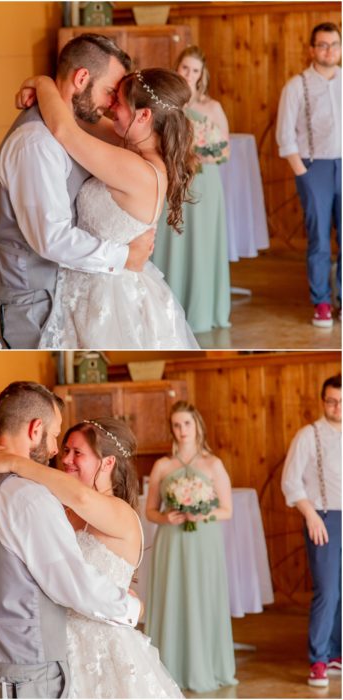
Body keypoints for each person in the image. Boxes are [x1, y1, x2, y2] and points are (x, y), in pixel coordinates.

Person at [0, 382, 142, 698]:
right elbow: (69, 581)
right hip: (23, 667)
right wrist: (129, 607)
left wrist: (18, 464)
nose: (56, 452)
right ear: (35, 429)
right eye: (55, 438)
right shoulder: (30, 497)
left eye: (75, 451)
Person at [0, 417, 184, 699]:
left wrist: (15, 462)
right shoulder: (58, 507)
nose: (66, 459)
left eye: (77, 453)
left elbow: (82, 498)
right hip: (53, 646)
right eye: (66, 449)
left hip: (105, 652)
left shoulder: (121, 514)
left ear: (107, 463)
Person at [0, 34, 155, 349]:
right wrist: (125, 256)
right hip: (29, 301)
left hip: (58, 292)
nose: (112, 106)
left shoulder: (76, 127)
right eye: (110, 92)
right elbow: (52, 237)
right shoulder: (36, 143)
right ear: (82, 78)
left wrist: (42, 83)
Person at [16, 67, 199, 349]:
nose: (112, 108)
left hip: (107, 296)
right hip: (93, 279)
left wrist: (41, 81)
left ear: (144, 115)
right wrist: (47, 93)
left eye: (120, 103)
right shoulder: (135, 148)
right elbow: (77, 118)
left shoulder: (137, 169)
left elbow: (65, 130)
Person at [144, 400, 237, 692]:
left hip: (203, 543)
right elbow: (150, 511)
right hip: (171, 541)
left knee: (202, 599)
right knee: (173, 598)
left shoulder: (213, 464)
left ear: (197, 425)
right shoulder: (162, 465)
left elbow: (227, 510)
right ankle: (169, 668)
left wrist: (202, 513)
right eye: (176, 425)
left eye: (186, 423)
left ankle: (205, 665)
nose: (182, 430)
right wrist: (165, 517)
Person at [152, 45, 231, 334]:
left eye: (194, 70)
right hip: (172, 178)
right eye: (185, 67)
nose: (189, 74)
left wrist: (199, 154)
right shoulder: (165, 104)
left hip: (204, 182)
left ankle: (200, 311)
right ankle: (164, 308)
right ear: (177, 67)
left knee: (201, 245)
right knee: (169, 241)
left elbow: (224, 152)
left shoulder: (212, 108)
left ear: (202, 75)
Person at [276, 22, 342, 328]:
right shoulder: (296, 86)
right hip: (313, 168)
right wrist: (302, 172)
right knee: (318, 240)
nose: (329, 51)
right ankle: (322, 303)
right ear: (312, 49)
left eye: (334, 44)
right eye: (323, 45)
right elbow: (284, 134)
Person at [281, 373, 341, 688]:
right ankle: (318, 660)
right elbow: (290, 481)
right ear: (323, 401)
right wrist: (311, 515)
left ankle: (337, 654)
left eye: (341, 402)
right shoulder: (309, 435)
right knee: (328, 590)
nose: (337, 407)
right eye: (331, 401)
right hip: (324, 519)